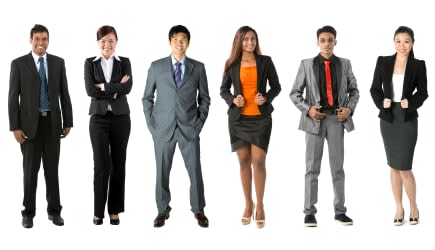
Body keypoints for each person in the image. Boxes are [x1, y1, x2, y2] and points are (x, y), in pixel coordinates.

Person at [290, 25, 359, 227]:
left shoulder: (345, 64)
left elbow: (354, 91)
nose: (327, 44)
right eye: (323, 40)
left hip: (337, 121)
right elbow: (294, 93)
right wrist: (308, 109)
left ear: (335, 42)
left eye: (330, 40)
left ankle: (340, 212)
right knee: (312, 168)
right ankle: (309, 212)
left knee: (338, 168)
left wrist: (349, 109)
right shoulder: (306, 64)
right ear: (317, 42)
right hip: (314, 121)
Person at [142, 25, 211, 228]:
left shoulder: (198, 68)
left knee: (195, 171)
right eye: (175, 39)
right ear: (170, 41)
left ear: (188, 43)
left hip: (190, 128)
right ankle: (162, 211)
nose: (179, 43)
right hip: (162, 129)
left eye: (183, 39)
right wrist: (151, 124)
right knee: (161, 171)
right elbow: (147, 97)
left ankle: (199, 210)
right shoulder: (156, 66)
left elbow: (205, 98)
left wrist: (199, 123)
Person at [8, 24, 73, 228]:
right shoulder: (19, 64)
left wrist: (68, 121)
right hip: (28, 128)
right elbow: (12, 98)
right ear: (30, 40)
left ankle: (54, 212)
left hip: (53, 125)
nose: (40, 43)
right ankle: (28, 213)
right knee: (30, 172)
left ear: (48, 40)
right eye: (37, 39)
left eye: (44, 39)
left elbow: (64, 93)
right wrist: (15, 127)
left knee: (52, 172)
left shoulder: (58, 63)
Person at [220, 26, 281, 229]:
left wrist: (266, 97)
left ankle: (261, 205)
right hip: (238, 120)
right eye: (246, 39)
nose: (250, 43)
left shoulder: (266, 61)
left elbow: (277, 86)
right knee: (244, 161)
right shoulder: (231, 63)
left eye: (253, 39)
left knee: (259, 161)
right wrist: (232, 99)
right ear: (239, 41)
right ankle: (248, 204)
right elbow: (223, 89)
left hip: (261, 119)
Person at [370, 26, 428, 226]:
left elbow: (423, 92)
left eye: (406, 41)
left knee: (404, 167)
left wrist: (411, 102)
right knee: (393, 166)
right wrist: (381, 102)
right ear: (393, 42)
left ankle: (413, 206)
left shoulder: (418, 65)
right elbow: (375, 88)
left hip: (407, 118)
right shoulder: (383, 61)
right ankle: (398, 207)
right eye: (398, 41)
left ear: (412, 43)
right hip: (388, 118)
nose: (402, 45)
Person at [84, 25, 132, 226]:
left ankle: (114, 211)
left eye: (111, 40)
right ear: (98, 43)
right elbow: (89, 90)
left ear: (116, 42)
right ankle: (98, 212)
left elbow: (128, 87)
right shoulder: (89, 63)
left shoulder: (125, 62)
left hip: (121, 118)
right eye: (103, 41)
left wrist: (102, 86)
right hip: (98, 119)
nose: (107, 44)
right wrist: (114, 88)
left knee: (119, 165)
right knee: (101, 166)